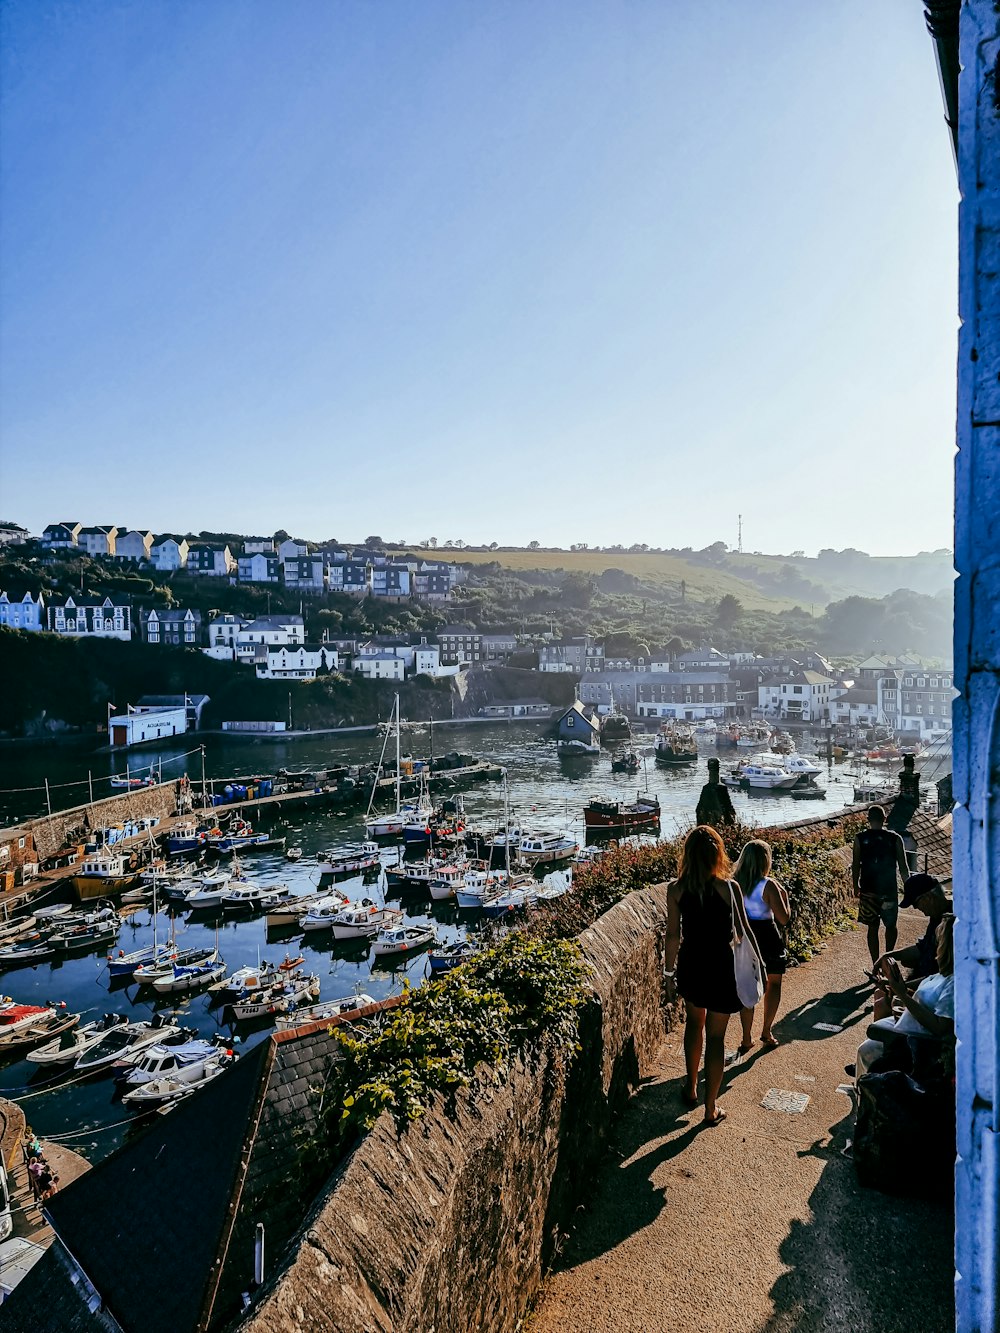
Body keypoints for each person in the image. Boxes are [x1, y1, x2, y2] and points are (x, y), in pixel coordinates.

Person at [664, 824, 766, 1127]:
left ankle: (692, 1087)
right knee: (717, 1037)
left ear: (688, 854)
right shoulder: (729, 887)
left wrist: (669, 973)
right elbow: (743, 931)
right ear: (717, 853)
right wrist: (757, 962)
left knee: (694, 1024)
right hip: (721, 965)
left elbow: (672, 935)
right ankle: (711, 1108)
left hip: (692, 963)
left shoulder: (676, 889)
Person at [855, 914, 955, 1080]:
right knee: (867, 1046)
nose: (936, 945)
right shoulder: (944, 975)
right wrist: (894, 986)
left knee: (867, 1050)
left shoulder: (954, 984)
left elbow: (940, 1027)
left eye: (939, 940)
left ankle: (864, 1096)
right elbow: (922, 1001)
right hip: (906, 1032)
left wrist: (902, 993)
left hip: (915, 1044)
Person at [732, 839, 791, 1052]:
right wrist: (785, 898)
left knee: (747, 984)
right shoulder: (769, 885)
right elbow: (783, 918)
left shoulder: (734, 882)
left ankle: (746, 1037)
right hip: (767, 935)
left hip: (744, 937)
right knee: (773, 984)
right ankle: (766, 1031)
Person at [851, 806, 909, 965]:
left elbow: (856, 864)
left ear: (868, 819)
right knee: (891, 926)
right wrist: (909, 887)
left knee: (872, 927)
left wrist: (855, 885)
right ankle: (888, 960)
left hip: (868, 890)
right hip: (888, 890)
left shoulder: (860, 838)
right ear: (884, 819)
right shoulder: (895, 838)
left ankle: (875, 963)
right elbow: (903, 867)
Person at [876, 873, 953, 982]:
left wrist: (902, 987)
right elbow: (923, 947)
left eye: (916, 903)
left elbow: (944, 974)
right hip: (925, 982)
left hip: (934, 987)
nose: (916, 908)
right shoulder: (936, 916)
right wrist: (890, 955)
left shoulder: (952, 922)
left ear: (928, 897)